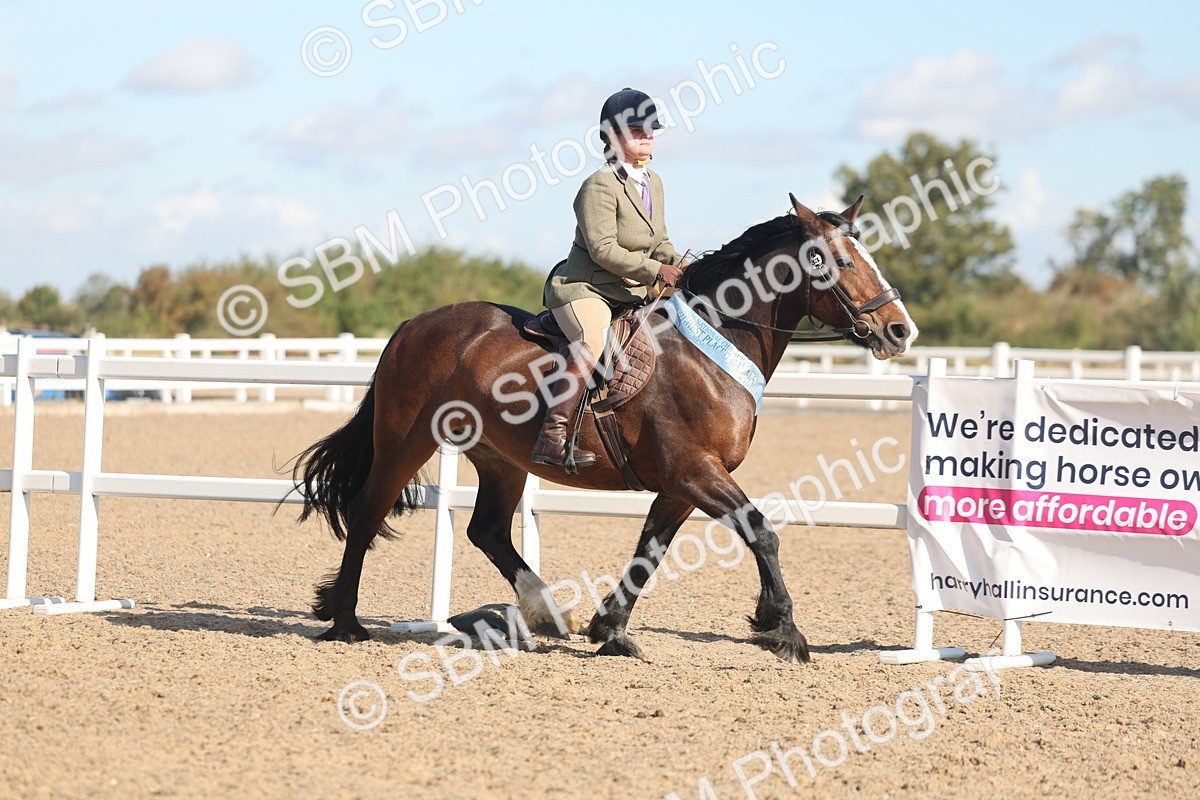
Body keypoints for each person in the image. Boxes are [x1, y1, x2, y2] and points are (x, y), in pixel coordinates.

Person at [533, 87, 686, 469]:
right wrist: (655, 270)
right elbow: (602, 249)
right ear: (613, 136)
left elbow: (659, 239)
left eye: (651, 129)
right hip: (585, 289)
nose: (647, 135)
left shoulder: (655, 182)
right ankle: (552, 435)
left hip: (628, 290)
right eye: (637, 130)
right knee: (591, 340)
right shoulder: (598, 186)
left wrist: (680, 266)